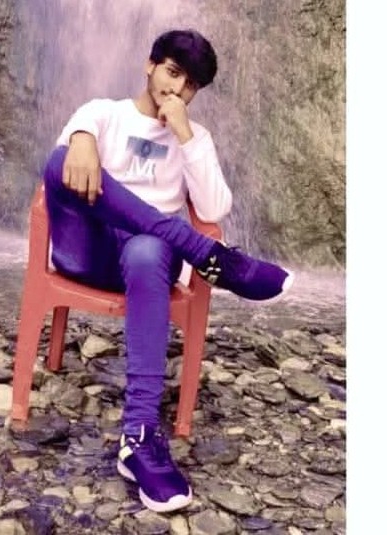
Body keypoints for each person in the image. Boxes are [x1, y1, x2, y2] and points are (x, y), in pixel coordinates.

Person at [42, 29, 294, 513]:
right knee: (58, 161)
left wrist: (184, 134)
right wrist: (82, 139)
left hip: (145, 266)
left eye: (190, 84)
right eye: (173, 73)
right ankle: (212, 257)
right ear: (150, 65)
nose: (177, 88)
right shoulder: (102, 112)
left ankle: (139, 436)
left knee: (147, 248)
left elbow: (214, 207)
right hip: (87, 249)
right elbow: (67, 170)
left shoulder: (196, 139)